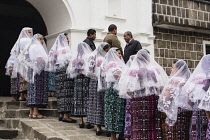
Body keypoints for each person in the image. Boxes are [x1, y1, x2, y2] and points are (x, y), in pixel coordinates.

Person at [118, 49, 168, 140]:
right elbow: (161, 87)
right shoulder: (154, 70)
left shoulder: (132, 71)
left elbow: (128, 90)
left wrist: (138, 91)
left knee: (138, 124)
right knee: (152, 124)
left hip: (137, 102)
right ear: (148, 59)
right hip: (152, 100)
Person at [158, 60, 192, 140]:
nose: (171, 69)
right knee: (184, 133)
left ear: (178, 69)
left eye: (173, 68)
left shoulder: (173, 80)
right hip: (186, 112)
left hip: (173, 111)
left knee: (172, 134)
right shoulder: (189, 81)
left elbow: (166, 96)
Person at [179, 55, 210, 139]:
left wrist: (194, 106)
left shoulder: (196, 78)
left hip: (197, 109)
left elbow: (189, 99)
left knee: (196, 132)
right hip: (207, 110)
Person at [48, 33, 76, 123]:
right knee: (67, 95)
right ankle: (66, 116)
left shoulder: (55, 51)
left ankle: (61, 114)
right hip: (66, 75)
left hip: (58, 75)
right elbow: (70, 62)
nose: (68, 40)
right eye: (67, 39)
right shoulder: (65, 50)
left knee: (60, 94)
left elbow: (51, 62)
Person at [66, 42, 94, 128]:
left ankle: (81, 120)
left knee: (79, 99)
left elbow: (71, 71)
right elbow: (90, 69)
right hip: (86, 80)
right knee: (87, 99)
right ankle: (89, 121)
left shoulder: (75, 58)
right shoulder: (87, 57)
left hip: (77, 80)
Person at [85, 42, 110, 136]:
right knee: (99, 103)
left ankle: (101, 126)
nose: (107, 53)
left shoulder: (95, 58)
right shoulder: (99, 59)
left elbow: (88, 72)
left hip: (98, 82)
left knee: (99, 103)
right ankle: (99, 126)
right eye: (106, 51)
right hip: (97, 83)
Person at [5, 27, 33, 101]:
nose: (30, 34)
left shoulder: (19, 41)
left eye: (30, 32)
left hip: (21, 63)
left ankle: (22, 95)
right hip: (27, 62)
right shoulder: (28, 40)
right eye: (29, 32)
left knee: (22, 79)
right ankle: (25, 95)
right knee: (26, 78)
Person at [104, 48, 125, 140]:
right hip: (113, 91)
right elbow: (118, 75)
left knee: (120, 112)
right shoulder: (112, 64)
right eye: (118, 54)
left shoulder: (120, 64)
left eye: (120, 54)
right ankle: (113, 137)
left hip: (120, 90)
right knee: (112, 113)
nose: (120, 56)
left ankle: (121, 134)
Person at [25, 34, 48, 118]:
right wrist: (46, 63)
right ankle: (35, 112)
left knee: (31, 89)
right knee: (37, 89)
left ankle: (31, 112)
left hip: (32, 69)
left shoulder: (31, 47)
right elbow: (39, 58)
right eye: (40, 39)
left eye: (42, 39)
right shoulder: (37, 47)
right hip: (38, 70)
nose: (42, 41)